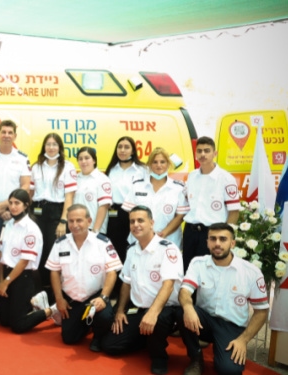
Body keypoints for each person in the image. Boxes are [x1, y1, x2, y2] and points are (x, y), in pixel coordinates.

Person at [93, 206, 183, 375]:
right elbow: (126, 283)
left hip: (165, 310)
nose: (136, 225)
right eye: (132, 221)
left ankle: (159, 357)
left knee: (159, 321)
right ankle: (146, 339)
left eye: (140, 220)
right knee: (110, 345)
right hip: (139, 309)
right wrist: (120, 311)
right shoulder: (132, 250)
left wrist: (153, 313)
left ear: (151, 223)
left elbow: (168, 284)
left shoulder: (168, 249)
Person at [176, 223, 269, 375]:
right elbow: (185, 291)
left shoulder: (251, 272)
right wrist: (188, 308)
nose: (217, 243)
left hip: (231, 326)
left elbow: (262, 311)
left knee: (229, 370)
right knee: (181, 311)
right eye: (212, 239)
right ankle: (196, 358)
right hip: (203, 321)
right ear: (207, 242)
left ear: (233, 243)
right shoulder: (198, 263)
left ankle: (222, 352)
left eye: (223, 239)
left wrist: (243, 340)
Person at [45, 204, 122, 347]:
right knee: (69, 338)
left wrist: (104, 297)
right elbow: (54, 272)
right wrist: (59, 299)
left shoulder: (102, 242)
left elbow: (112, 272)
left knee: (105, 317)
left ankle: (98, 337)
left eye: (79, 220)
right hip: (72, 299)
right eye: (71, 221)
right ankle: (86, 326)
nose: (74, 225)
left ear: (89, 221)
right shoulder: (60, 243)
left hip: (95, 296)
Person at [0, 189, 50, 334]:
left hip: (23, 277)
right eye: (11, 203)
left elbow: (24, 262)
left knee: (18, 326)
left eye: (17, 203)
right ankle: (29, 305)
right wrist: (1, 282)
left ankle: (50, 310)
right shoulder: (7, 225)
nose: (13, 207)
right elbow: (1, 256)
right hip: (7, 274)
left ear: (26, 205)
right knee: (4, 321)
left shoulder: (31, 229)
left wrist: (5, 282)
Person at [181, 137, 240, 270]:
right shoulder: (192, 176)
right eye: (199, 151)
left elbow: (234, 212)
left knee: (209, 271)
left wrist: (225, 236)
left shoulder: (226, 178)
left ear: (215, 153)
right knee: (188, 269)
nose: (203, 154)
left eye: (207, 151)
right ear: (195, 154)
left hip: (212, 233)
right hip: (190, 231)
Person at [29, 133, 77, 294]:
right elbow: (30, 193)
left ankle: (53, 293)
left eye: (54, 144)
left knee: (52, 251)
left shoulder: (68, 167)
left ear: (60, 148)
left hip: (57, 212)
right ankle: (38, 291)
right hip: (36, 212)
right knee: (37, 251)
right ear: (44, 146)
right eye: (48, 144)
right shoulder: (36, 167)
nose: (51, 147)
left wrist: (63, 221)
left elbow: (69, 196)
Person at [121, 147, 188, 248]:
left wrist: (163, 233)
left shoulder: (178, 188)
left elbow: (180, 216)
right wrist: (145, 233)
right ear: (149, 164)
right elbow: (131, 212)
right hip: (140, 240)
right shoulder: (137, 185)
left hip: (168, 241)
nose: (159, 165)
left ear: (168, 164)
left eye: (162, 162)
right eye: (155, 162)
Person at [104, 136, 148, 263]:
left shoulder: (142, 170)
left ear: (133, 151)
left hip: (135, 214)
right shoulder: (111, 169)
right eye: (120, 147)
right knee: (115, 249)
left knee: (134, 247)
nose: (122, 150)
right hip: (114, 214)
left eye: (127, 147)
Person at [73, 147, 112, 234]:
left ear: (94, 160)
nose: (83, 161)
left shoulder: (102, 179)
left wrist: (95, 230)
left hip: (93, 228)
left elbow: (104, 206)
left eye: (87, 158)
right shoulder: (75, 179)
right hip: (75, 228)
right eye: (80, 159)